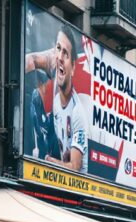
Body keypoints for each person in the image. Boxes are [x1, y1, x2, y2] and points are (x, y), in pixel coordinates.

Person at [25, 25, 88, 172]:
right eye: (58, 49)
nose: (60, 57)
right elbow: (25, 61)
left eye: (65, 53)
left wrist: (51, 162)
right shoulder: (55, 102)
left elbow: (75, 167)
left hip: (78, 191)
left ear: (73, 68)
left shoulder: (78, 113)